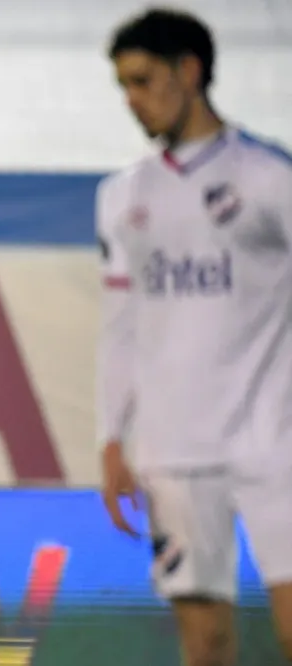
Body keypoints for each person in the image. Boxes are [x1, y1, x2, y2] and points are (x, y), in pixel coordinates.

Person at [97, 8, 292, 666]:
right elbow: (120, 325)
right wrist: (109, 438)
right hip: (173, 450)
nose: (131, 100)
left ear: (190, 71)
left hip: (276, 443)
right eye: (122, 85)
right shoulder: (122, 197)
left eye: (143, 80)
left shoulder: (270, 180)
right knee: (204, 645)